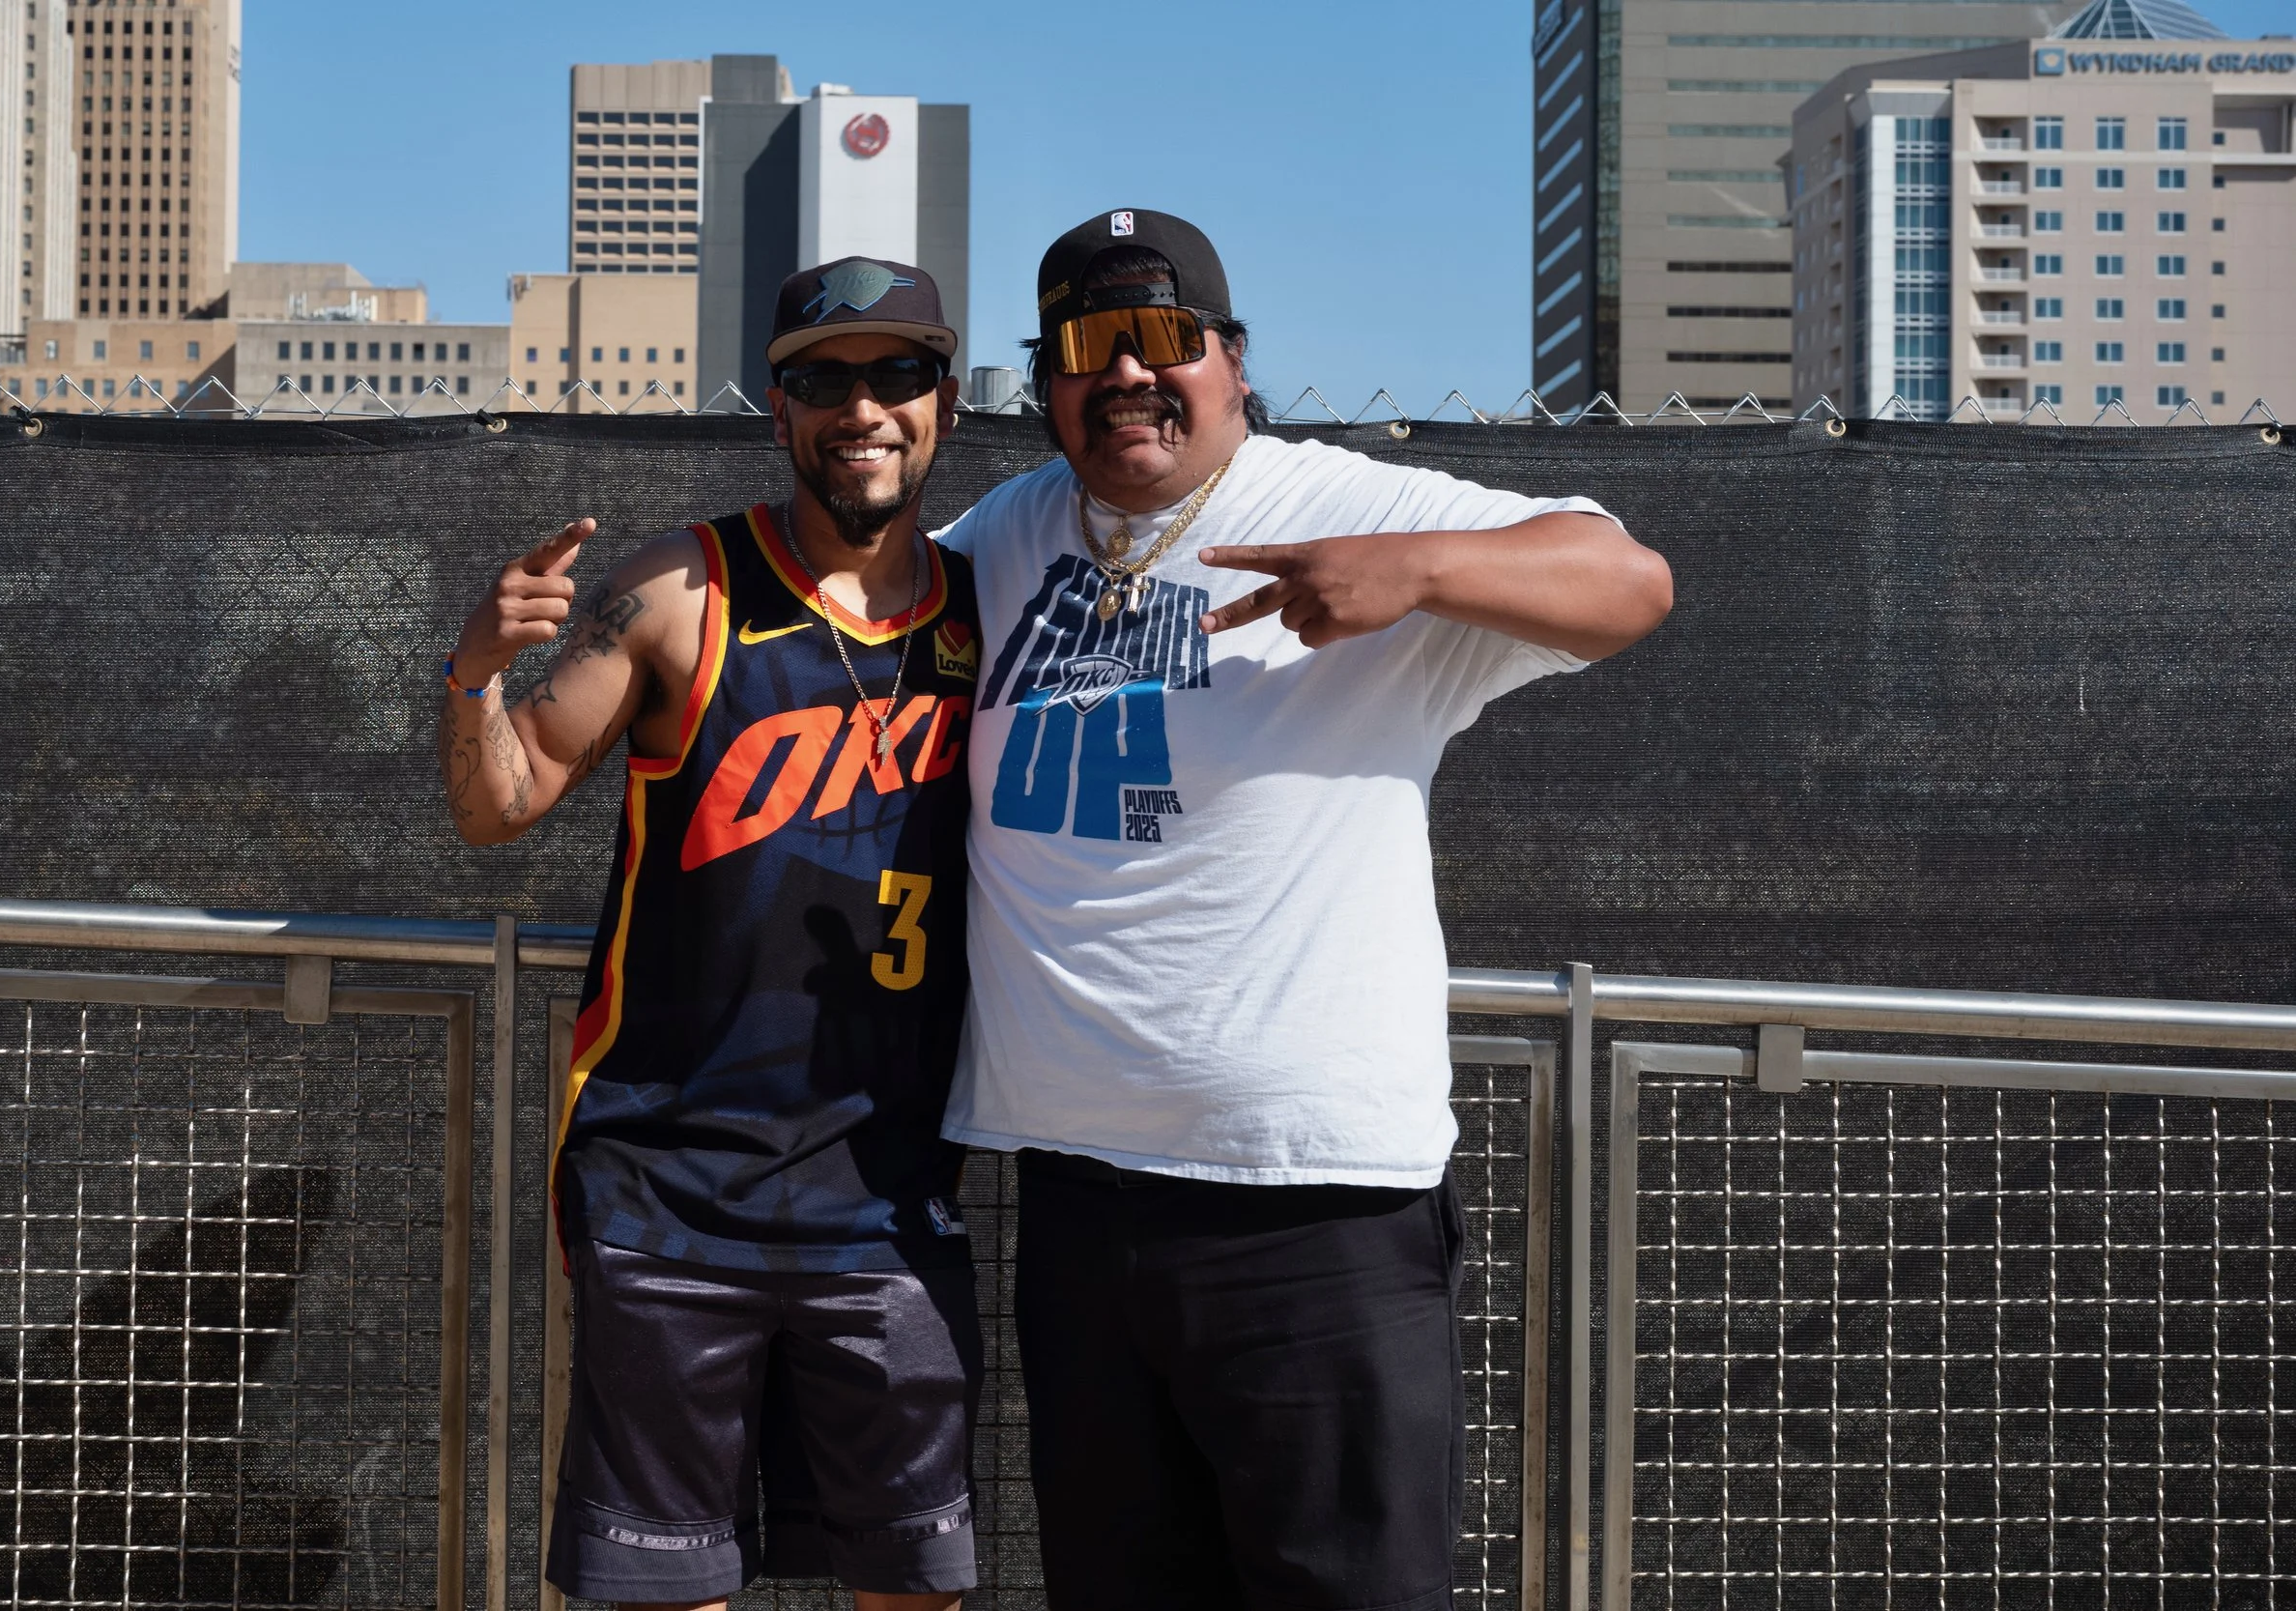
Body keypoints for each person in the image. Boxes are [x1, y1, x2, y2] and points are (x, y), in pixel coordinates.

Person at [933, 211, 1674, 1608]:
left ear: (1233, 362)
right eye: (1090, 349)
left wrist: (1421, 571)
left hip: (1311, 1211)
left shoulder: (1345, 506)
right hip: (1077, 1206)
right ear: (1045, 386)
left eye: (1168, 341)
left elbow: (1632, 585)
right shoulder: (1009, 532)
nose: (1131, 376)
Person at [436, 258, 983, 1610]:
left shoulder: (993, 612)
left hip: (891, 1203)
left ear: (946, 403)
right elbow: (502, 803)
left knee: (915, 1585)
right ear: (779, 410)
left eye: (895, 373)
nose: (862, 407)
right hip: (671, 1196)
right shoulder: (686, 589)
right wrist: (472, 672)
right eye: (822, 379)